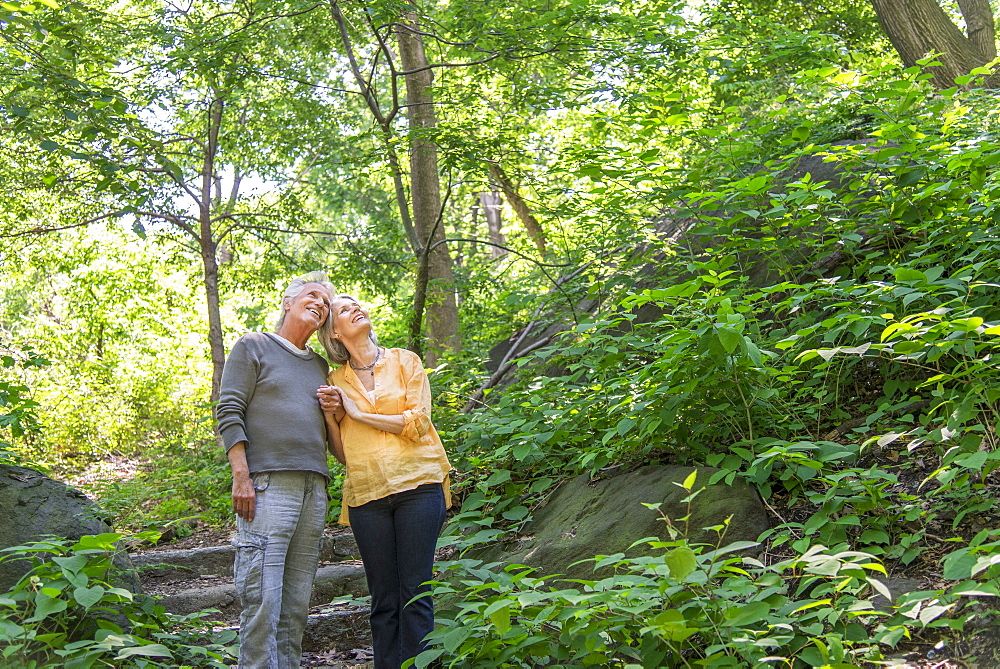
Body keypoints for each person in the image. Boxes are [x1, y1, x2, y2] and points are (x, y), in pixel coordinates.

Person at [316, 296, 451, 669]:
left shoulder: (405, 360)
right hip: (367, 496)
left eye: (356, 303)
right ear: (335, 332)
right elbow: (345, 454)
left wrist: (357, 412)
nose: (355, 308)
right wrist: (333, 417)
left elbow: (418, 423)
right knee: (383, 599)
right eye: (344, 310)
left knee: (415, 591)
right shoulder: (333, 380)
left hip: (418, 487)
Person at [216, 273, 340, 669]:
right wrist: (241, 476)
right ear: (288, 301)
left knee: (296, 601)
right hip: (268, 485)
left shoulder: (321, 366)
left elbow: (332, 434)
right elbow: (229, 410)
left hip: (314, 487)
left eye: (326, 303)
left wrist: (335, 410)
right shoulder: (254, 345)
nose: (320, 303)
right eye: (313, 295)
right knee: (262, 597)